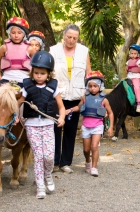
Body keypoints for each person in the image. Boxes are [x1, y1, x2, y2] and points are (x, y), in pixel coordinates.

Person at [17, 51, 66, 199]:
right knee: (38, 156)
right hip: (32, 125)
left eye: (42, 73)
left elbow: (61, 106)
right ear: (32, 72)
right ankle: (40, 187)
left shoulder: (53, 87)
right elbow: (18, 103)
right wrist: (15, 116)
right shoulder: (26, 86)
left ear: (48, 74)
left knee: (49, 157)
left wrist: (62, 117)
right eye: (36, 73)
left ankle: (48, 175)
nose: (39, 76)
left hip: (48, 124)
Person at [49, 24, 91, 173]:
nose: (71, 40)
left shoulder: (84, 51)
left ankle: (65, 162)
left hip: (76, 96)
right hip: (58, 96)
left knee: (70, 130)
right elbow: (49, 73)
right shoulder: (53, 50)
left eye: (75, 38)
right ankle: (54, 161)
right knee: (55, 128)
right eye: (69, 37)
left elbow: (88, 73)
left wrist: (86, 92)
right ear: (64, 35)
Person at [66, 71, 114, 177]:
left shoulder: (104, 99)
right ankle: (88, 161)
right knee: (86, 149)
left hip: (97, 126)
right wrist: (69, 110)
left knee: (94, 147)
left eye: (95, 86)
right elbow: (78, 107)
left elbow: (110, 113)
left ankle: (94, 167)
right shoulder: (85, 97)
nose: (92, 88)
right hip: (86, 126)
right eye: (90, 86)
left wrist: (110, 127)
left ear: (100, 86)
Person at [126, 44, 140, 113]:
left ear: (138, 54)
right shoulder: (128, 61)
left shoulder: (139, 61)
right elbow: (126, 69)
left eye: (135, 53)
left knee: (137, 88)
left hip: (136, 77)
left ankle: (139, 104)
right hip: (129, 77)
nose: (133, 55)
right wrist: (128, 72)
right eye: (131, 53)